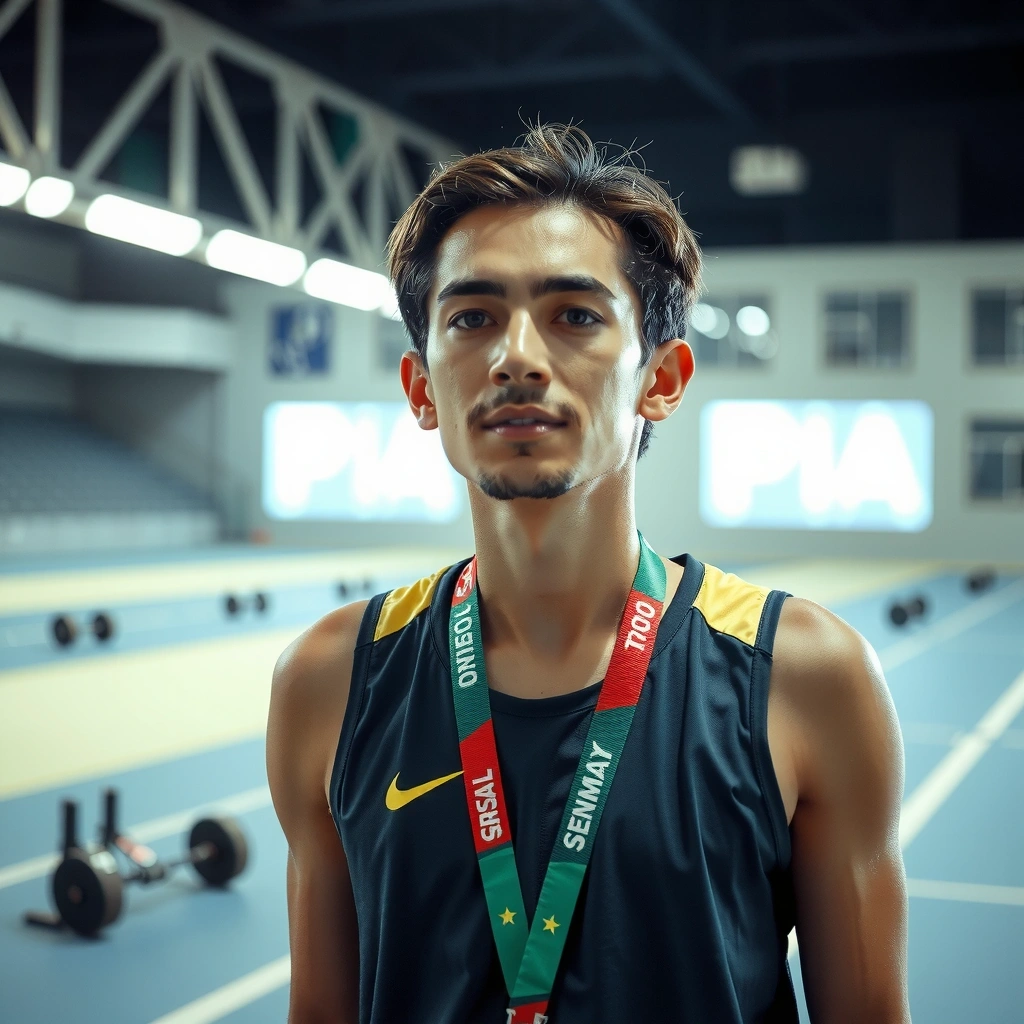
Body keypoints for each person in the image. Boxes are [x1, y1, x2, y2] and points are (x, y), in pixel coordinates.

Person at [267, 124, 910, 1024]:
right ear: (421, 388)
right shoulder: (329, 680)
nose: (516, 357)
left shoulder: (803, 678)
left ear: (662, 379)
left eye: (575, 315)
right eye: (471, 318)